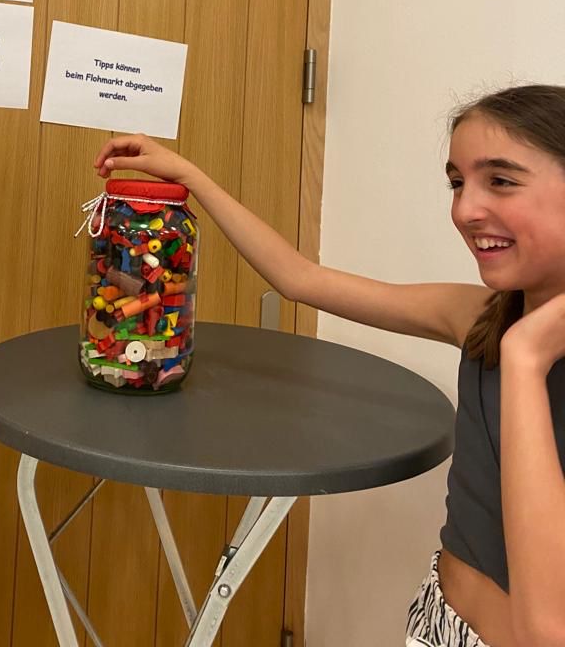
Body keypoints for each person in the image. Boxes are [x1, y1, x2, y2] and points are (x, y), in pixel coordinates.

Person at [94, 85, 565, 647]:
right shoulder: (480, 317)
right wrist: (190, 178)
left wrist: (525, 360)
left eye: (501, 181)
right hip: (440, 623)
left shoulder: (518, 348)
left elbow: (548, 629)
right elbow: (300, 278)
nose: (465, 210)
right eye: (457, 183)